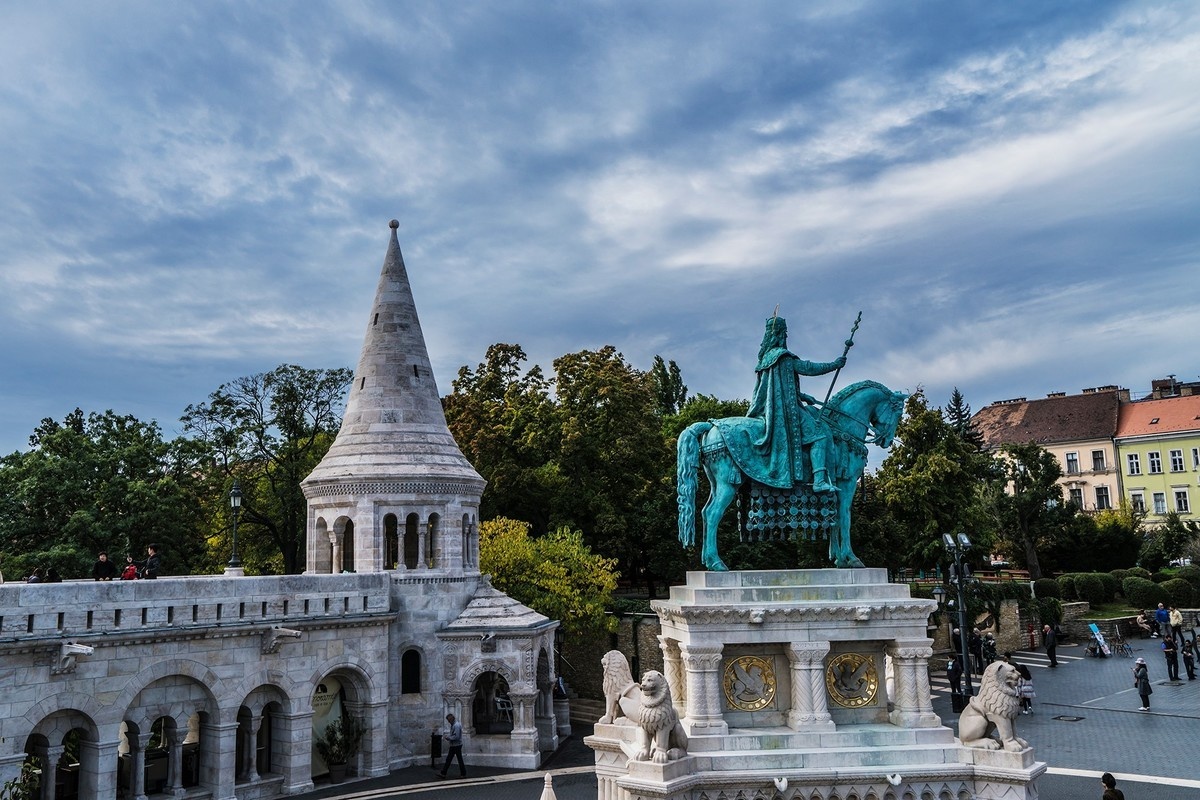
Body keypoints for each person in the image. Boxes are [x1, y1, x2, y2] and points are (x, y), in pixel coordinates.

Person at [731, 315, 847, 493]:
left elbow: (775, 388)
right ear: (779, 334)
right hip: (785, 411)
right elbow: (809, 368)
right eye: (784, 333)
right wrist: (834, 364)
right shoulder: (783, 357)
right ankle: (819, 481)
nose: (786, 337)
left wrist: (802, 395)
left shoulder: (765, 359)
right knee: (819, 436)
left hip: (767, 410)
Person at [437, 713, 466, 778]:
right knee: (450, 759)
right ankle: (443, 773)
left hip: (457, 745)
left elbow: (457, 737)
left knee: (457, 759)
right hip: (454, 745)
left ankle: (463, 774)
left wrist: (448, 738)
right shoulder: (454, 725)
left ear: (451, 719)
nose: (448, 722)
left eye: (448, 720)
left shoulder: (456, 725)